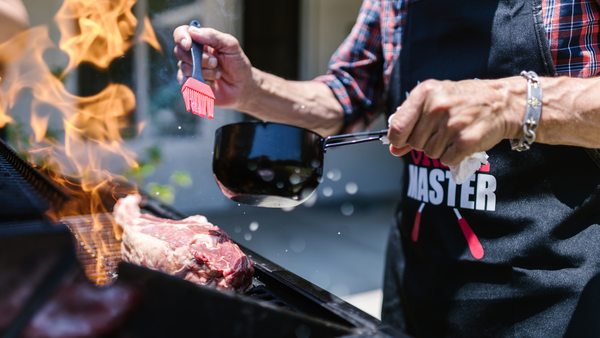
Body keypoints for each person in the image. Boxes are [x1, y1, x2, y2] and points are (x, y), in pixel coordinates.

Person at [173, 0, 600, 336]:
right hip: (417, 284)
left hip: (555, 299)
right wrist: (251, 88)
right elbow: (347, 96)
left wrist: (516, 104)